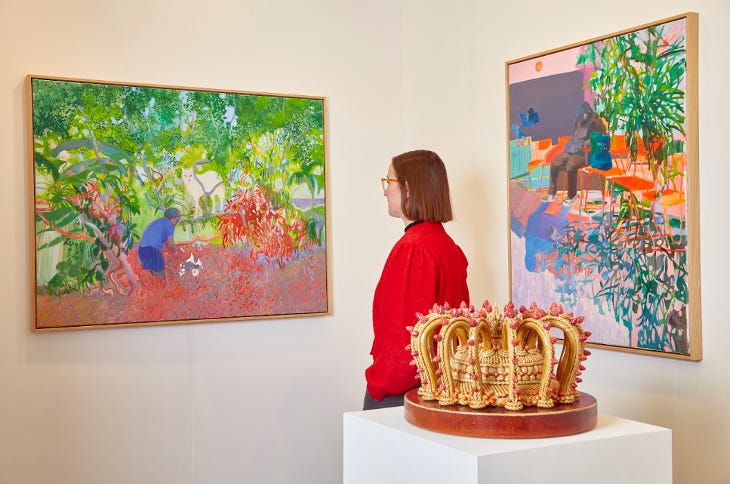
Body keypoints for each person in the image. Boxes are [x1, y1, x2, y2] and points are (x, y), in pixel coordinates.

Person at [363, 150, 470, 410]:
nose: (386, 191)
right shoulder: (448, 247)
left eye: (389, 182)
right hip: (440, 391)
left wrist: (379, 384)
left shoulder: (414, 248)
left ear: (408, 189)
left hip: (404, 396)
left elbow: (403, 340)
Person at [543, 101, 607, 203]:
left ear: (589, 111)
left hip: (585, 154)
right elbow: (573, 137)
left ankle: (572, 196)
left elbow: (602, 137)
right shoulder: (579, 121)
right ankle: (551, 193)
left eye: (586, 113)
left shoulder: (596, 121)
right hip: (572, 151)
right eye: (582, 114)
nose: (585, 115)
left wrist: (587, 143)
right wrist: (568, 147)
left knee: (570, 166)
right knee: (555, 162)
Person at [138, 207, 183, 281]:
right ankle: (165, 289)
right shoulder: (169, 225)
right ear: (170, 218)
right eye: (176, 220)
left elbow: (161, 242)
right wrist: (179, 251)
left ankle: (157, 289)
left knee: (154, 275)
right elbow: (171, 242)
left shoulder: (160, 221)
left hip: (143, 249)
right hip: (152, 250)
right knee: (160, 275)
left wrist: (167, 251)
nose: (177, 223)